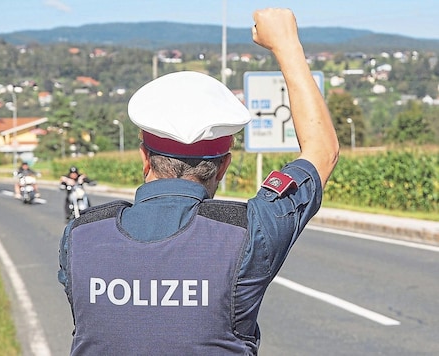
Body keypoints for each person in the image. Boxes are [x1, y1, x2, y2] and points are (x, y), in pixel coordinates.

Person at [57, 8, 339, 355]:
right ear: (222, 167)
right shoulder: (248, 232)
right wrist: (286, 44)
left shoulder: (81, 236)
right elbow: (322, 151)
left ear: (145, 158)